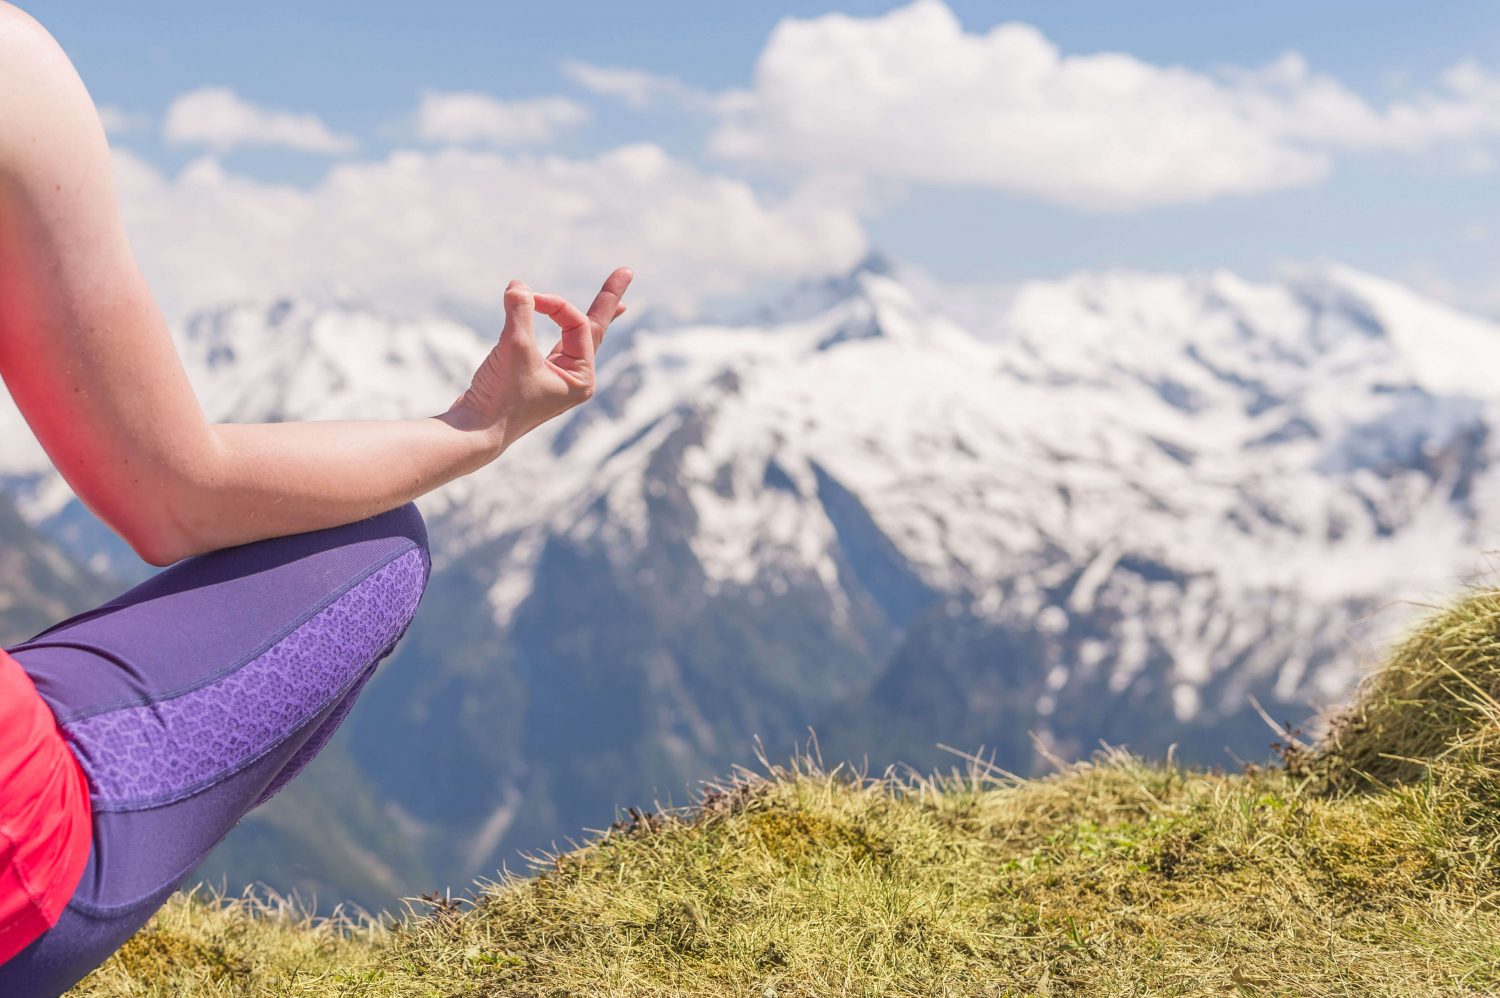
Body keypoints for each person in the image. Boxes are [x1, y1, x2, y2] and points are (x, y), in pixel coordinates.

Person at [0, 6, 632, 995]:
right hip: (15, 891)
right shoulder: (11, 76)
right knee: (373, 548)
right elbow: (177, 498)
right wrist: (479, 423)